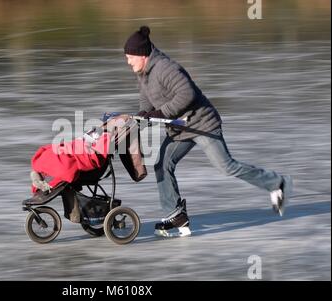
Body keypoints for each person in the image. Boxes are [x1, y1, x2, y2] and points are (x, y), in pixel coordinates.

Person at [123, 26, 293, 238]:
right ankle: (174, 214)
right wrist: (143, 114)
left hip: (202, 124)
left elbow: (187, 94)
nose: (128, 61)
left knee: (226, 166)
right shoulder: (143, 72)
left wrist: (160, 112)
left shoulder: (165, 68)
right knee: (162, 164)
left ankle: (278, 184)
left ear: (142, 55)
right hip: (181, 127)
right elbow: (147, 97)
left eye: (130, 57)